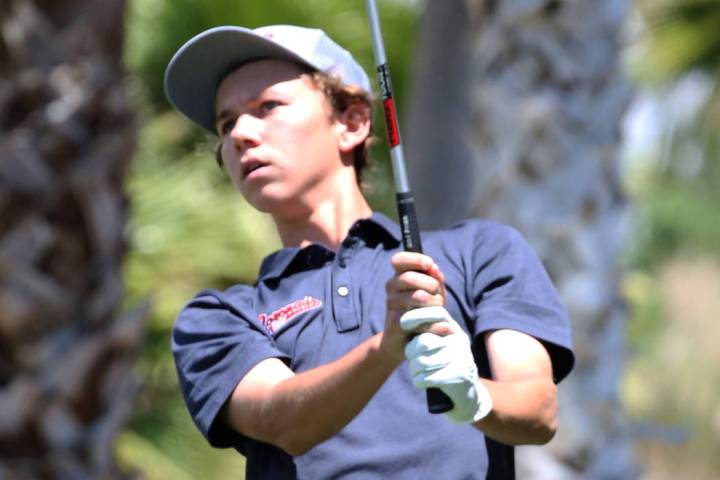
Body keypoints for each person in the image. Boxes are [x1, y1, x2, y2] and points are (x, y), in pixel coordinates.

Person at [165, 24, 574, 480]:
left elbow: (538, 411)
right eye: (226, 123)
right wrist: (384, 350)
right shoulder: (218, 317)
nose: (240, 133)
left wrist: (474, 394)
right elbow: (282, 421)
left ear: (352, 122)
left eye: (268, 107)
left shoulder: (479, 252)